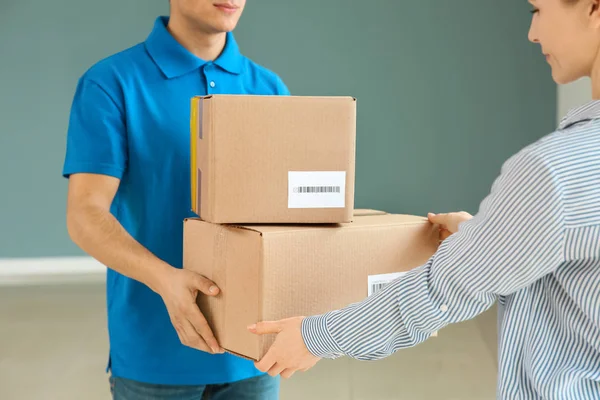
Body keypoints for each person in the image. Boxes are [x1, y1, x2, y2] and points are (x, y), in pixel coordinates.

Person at [248, 0, 600, 398]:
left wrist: (314, 337)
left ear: (593, 8)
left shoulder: (554, 171)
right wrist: (484, 237)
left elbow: (439, 292)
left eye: (537, 9)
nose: (532, 33)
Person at [63, 1, 288, 398]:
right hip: (153, 357)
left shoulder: (269, 89)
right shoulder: (111, 83)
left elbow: (292, 224)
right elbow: (85, 213)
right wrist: (165, 279)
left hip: (255, 353)